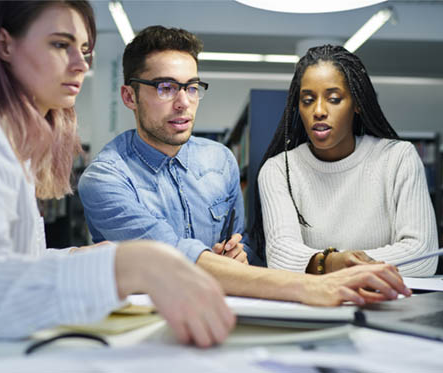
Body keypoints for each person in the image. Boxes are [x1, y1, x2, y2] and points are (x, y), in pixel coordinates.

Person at [0, 1, 235, 348]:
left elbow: (12, 264)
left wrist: (77, 257)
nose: (81, 63)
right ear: (4, 45)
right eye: (59, 44)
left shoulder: (12, 143)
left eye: (84, 50)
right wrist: (127, 265)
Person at [78, 26, 413, 308]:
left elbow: (247, 245)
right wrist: (310, 285)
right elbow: (173, 256)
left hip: (229, 310)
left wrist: (240, 257)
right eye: (165, 88)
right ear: (129, 96)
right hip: (149, 323)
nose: (183, 102)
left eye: (192, 87)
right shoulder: (105, 179)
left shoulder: (220, 160)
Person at [254, 45, 438, 277]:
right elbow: (282, 257)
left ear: (357, 104)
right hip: (314, 307)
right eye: (308, 100)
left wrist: (331, 264)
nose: (319, 110)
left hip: (385, 305)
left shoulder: (399, 158)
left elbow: (423, 256)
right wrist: (336, 262)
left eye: (333, 98)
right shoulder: (279, 170)